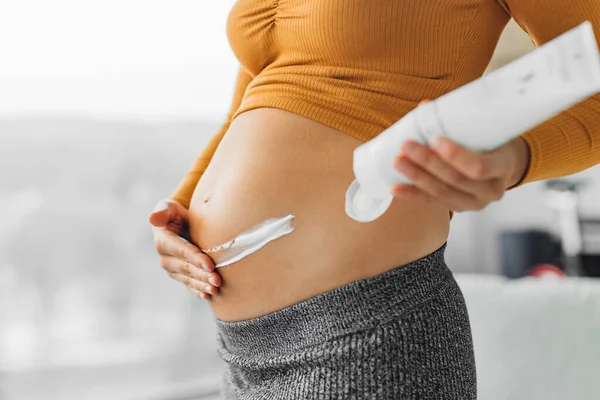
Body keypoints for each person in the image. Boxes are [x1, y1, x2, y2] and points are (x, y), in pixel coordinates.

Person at [149, 1, 600, 398]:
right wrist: (181, 206)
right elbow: (252, 101)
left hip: (368, 332)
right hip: (240, 347)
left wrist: (517, 157)